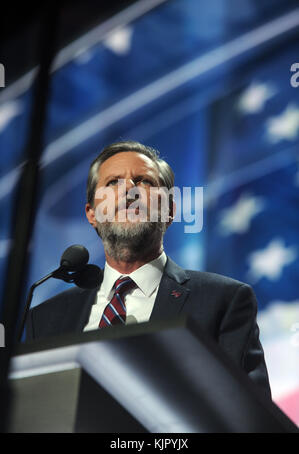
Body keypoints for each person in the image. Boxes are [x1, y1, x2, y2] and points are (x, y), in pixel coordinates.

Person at [25, 140, 271, 397]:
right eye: (113, 183)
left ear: (169, 211)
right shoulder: (44, 320)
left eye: (144, 181)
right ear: (92, 214)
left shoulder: (224, 301)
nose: (129, 189)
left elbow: (249, 417)